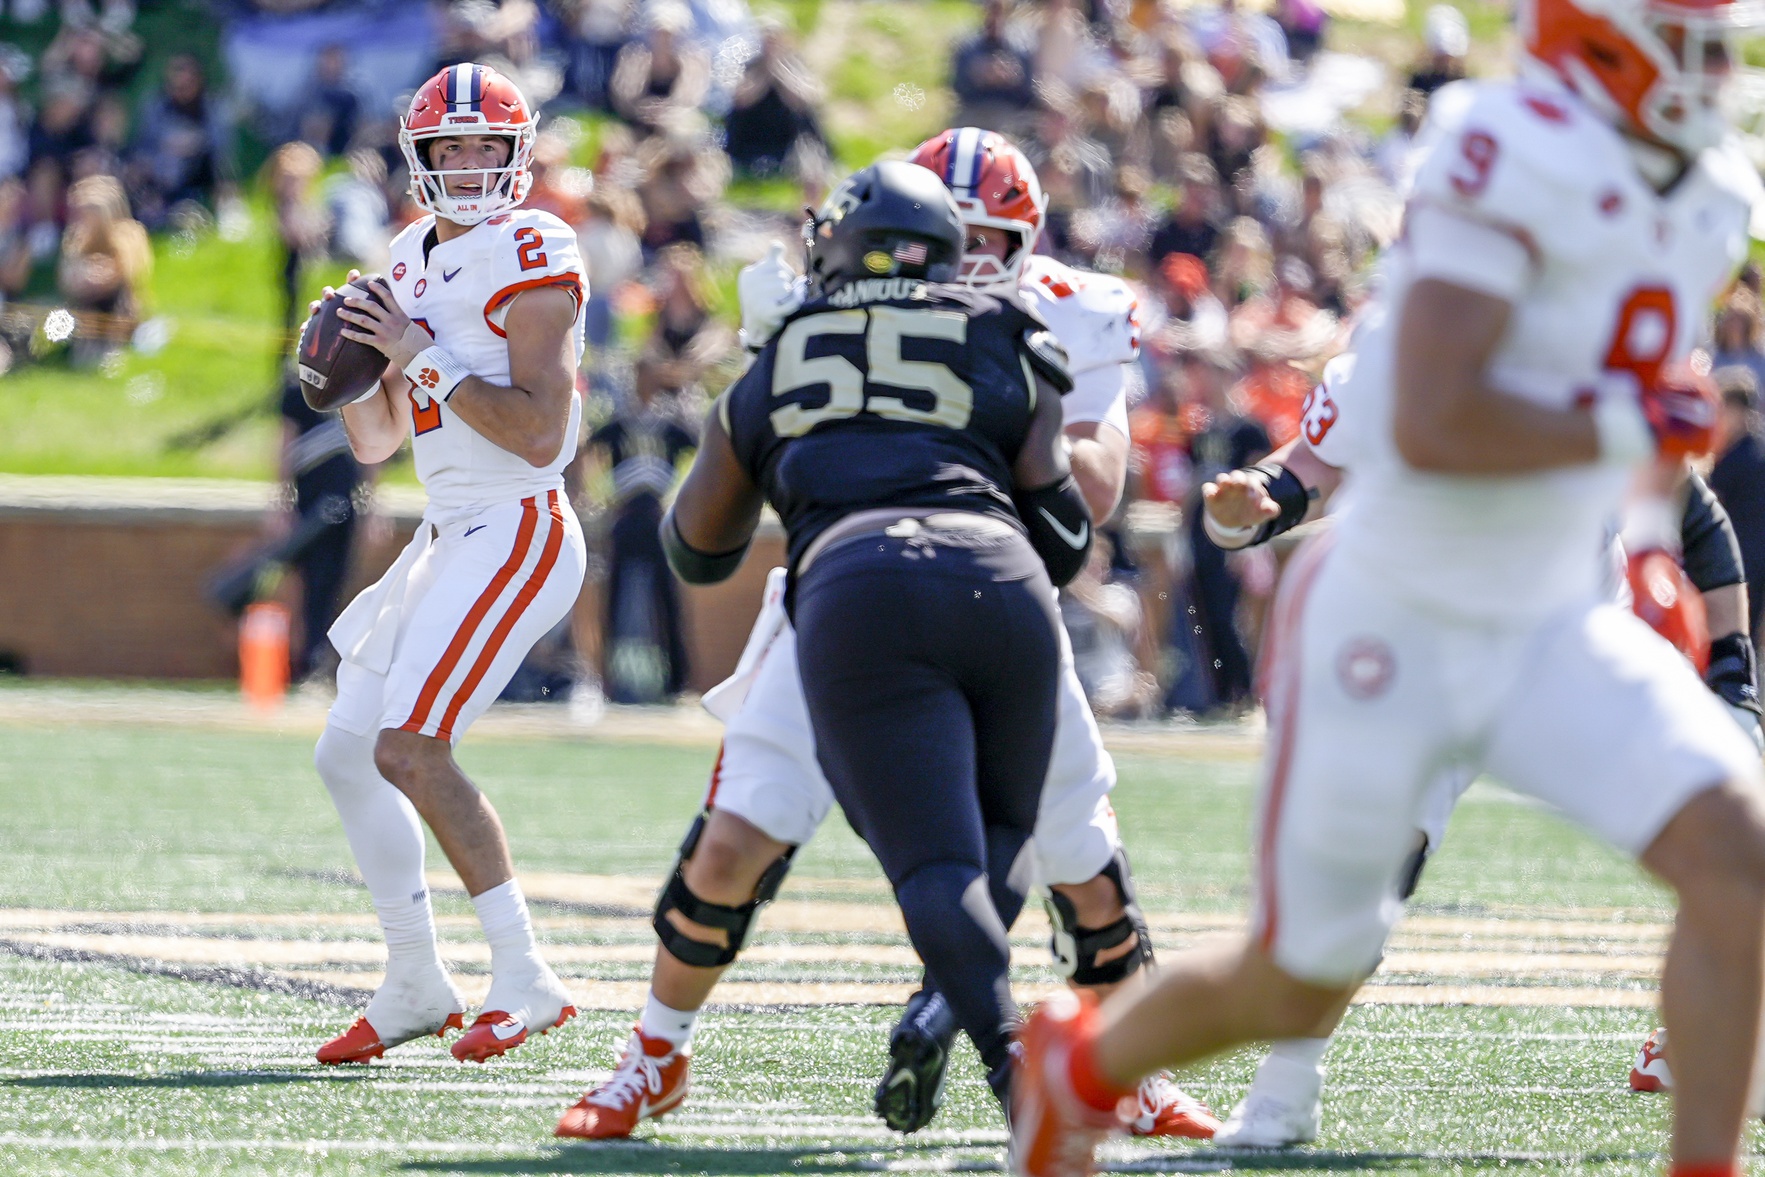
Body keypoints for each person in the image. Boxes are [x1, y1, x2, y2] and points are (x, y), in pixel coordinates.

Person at [1010, 0, 1765, 1169]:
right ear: (1605, 40)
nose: (1715, 69)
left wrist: (1655, 540)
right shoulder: (1501, 143)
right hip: (1399, 619)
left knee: (1738, 850)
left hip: (1553, 620)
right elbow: (1435, 412)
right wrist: (1626, 425)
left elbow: (1636, 433)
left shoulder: (1708, 190)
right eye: (1690, 38)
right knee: (1297, 978)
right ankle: (1077, 1063)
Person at [556, 129, 1217, 1144]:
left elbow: (1088, 499)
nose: (967, 259)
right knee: (733, 842)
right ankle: (653, 1049)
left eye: (987, 239)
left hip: (988, 589)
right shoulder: (839, 321)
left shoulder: (1053, 320)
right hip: (851, 591)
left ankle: (1119, 1063)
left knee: (1081, 856)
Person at [1196, 360, 1764, 1146]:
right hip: (1428, 648)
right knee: (1362, 877)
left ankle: (1717, 1062)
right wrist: (1241, 511)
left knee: (1735, 828)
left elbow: (1692, 517)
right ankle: (1282, 1088)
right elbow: (1291, 482)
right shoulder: (1395, 352)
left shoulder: (1590, 348)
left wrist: (1731, 668)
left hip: (1570, 648)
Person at [304, 63, 590, 1069]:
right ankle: (416, 978)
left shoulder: (536, 246)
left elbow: (538, 433)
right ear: (418, 157)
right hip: (449, 529)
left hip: (518, 521)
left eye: (485, 147)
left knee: (411, 747)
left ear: (518, 153)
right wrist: (340, 374)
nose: (467, 165)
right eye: (448, 148)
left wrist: (421, 352)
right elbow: (382, 439)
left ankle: (524, 976)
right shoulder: (406, 253)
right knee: (346, 752)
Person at [1707, 368, 1765, 647]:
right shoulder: (1746, 451)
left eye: (1724, 409)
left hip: (1743, 561)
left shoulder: (1741, 458)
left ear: (1741, 411)